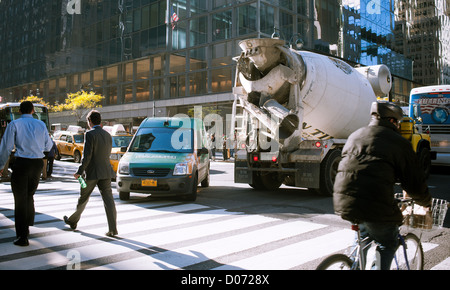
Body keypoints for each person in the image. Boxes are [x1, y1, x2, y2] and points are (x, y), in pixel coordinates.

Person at [333, 101, 432, 270]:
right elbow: (414, 182)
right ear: (393, 121)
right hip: (375, 204)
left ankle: (353, 266)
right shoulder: (399, 143)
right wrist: (425, 201)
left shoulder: (356, 135)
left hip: (343, 200)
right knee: (387, 242)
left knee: (363, 235)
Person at [0, 101, 53, 246]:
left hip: (22, 163)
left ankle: (22, 236)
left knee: (20, 199)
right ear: (33, 110)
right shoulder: (41, 125)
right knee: (30, 194)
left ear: (19, 111)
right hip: (37, 164)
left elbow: (6, 147)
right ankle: (28, 224)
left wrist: (0, 165)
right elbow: (49, 145)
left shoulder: (15, 124)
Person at [64, 110, 118, 237]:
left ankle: (73, 221)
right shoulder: (107, 135)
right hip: (105, 172)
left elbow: (86, 156)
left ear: (90, 121)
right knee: (109, 200)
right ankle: (113, 229)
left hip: (92, 173)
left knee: (83, 198)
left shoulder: (89, 134)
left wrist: (79, 171)